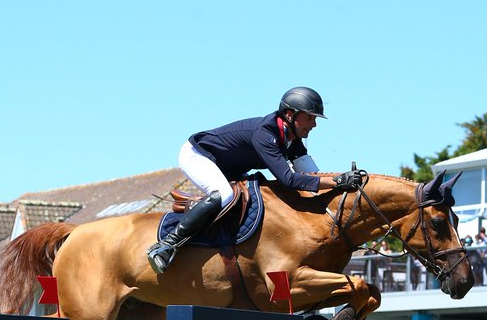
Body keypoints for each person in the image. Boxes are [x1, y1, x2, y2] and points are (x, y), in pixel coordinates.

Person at [146, 86, 362, 274]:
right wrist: (337, 181)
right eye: (310, 117)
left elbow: (313, 177)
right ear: (289, 115)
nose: (314, 124)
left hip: (229, 167)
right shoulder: (265, 134)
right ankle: (167, 246)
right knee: (225, 195)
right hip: (198, 155)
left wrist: (343, 186)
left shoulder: (293, 139)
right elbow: (289, 180)